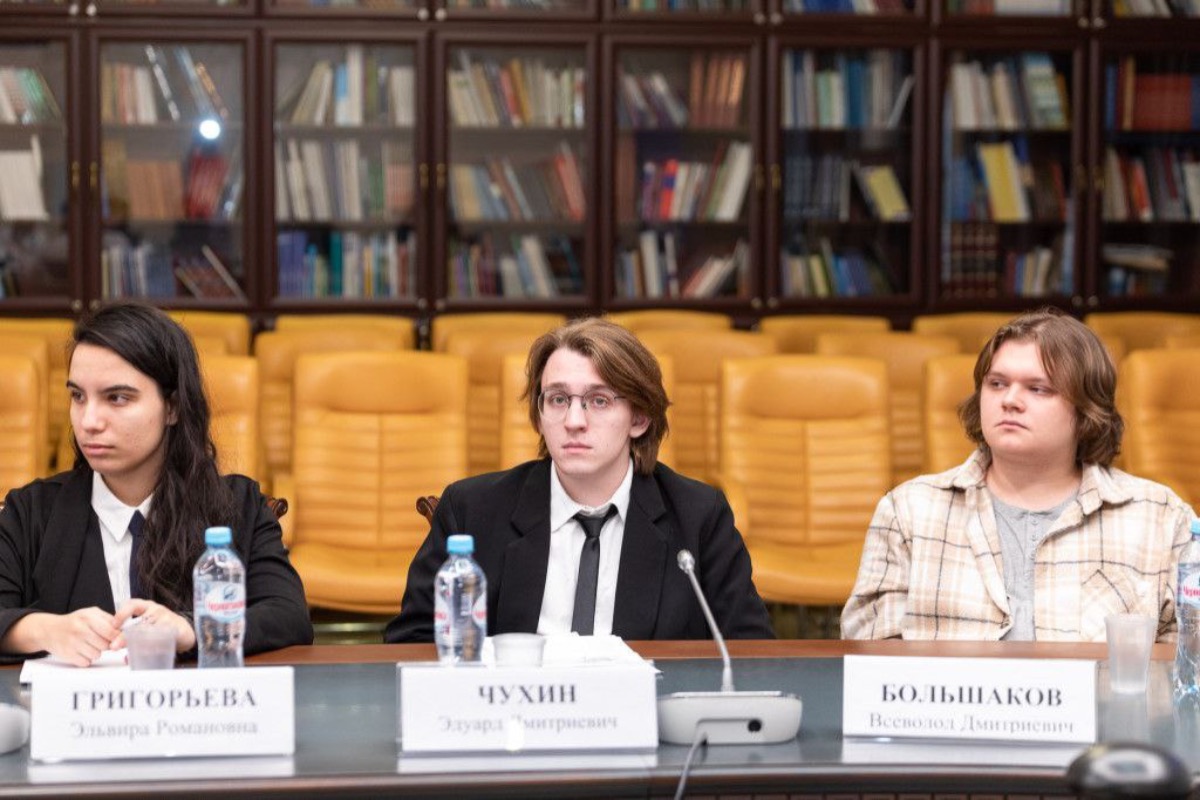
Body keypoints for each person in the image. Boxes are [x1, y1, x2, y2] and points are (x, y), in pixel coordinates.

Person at [386, 317, 772, 642]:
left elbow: (751, 652)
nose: (573, 421)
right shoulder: (473, 511)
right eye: (558, 399)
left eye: (599, 400)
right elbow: (411, 643)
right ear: (539, 415)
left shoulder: (699, 518)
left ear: (639, 418)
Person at [842, 308, 1193, 642]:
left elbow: (1187, 659)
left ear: (1087, 410)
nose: (1009, 400)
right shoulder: (908, 512)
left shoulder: (1161, 518)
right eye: (997, 384)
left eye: (1038, 388)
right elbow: (871, 660)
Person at [0, 303, 312, 666]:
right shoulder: (31, 511)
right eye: (78, 396)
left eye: (117, 398)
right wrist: (42, 629)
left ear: (173, 407)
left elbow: (288, 615)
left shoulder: (238, 505)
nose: (89, 421)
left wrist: (193, 630)